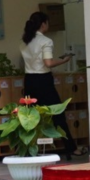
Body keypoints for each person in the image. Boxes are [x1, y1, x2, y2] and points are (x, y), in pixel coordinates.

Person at [17, 10, 70, 153]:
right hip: (43, 80)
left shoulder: (24, 42)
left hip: (29, 80)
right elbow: (48, 63)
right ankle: (70, 148)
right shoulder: (46, 41)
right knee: (57, 113)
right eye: (47, 22)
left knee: (29, 116)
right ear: (43, 24)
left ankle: (27, 149)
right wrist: (64, 60)